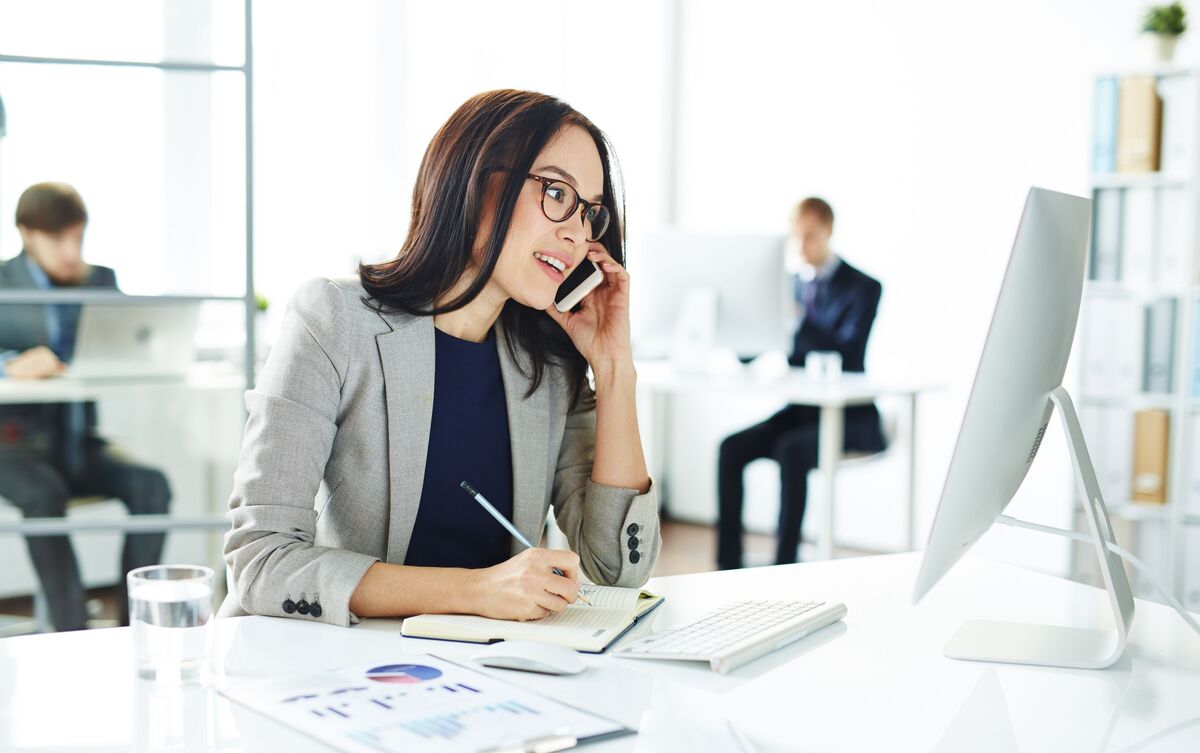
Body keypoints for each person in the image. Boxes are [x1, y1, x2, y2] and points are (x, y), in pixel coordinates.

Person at [220, 90, 660, 627]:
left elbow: (617, 568)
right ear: (474, 183)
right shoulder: (333, 320)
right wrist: (474, 590)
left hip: (481, 672)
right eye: (555, 191)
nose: (576, 231)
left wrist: (615, 368)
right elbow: (261, 560)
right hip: (328, 662)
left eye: (590, 211)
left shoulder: (551, 364)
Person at [0, 182, 171, 631]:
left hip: (77, 442)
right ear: (26, 234)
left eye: (78, 237)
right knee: (44, 495)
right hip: (11, 450)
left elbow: (134, 344)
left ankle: (132, 626)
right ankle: (71, 629)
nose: (72, 251)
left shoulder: (100, 281)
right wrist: (9, 365)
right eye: (59, 239)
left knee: (152, 486)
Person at [716, 197, 884, 570]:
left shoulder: (864, 287)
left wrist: (796, 319)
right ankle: (727, 565)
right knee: (731, 448)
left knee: (791, 450)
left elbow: (848, 351)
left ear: (828, 231)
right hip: (802, 411)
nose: (801, 246)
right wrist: (743, 315)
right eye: (796, 237)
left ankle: (784, 565)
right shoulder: (788, 285)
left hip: (851, 416)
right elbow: (749, 354)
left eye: (809, 236)